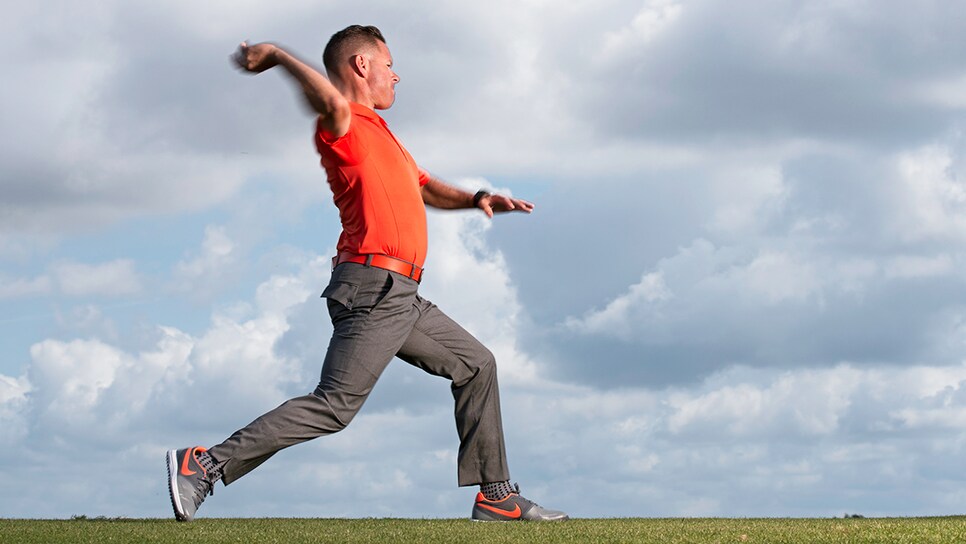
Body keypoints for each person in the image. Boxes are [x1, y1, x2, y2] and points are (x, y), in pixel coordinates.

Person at [166, 25, 568, 523]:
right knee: (334, 405)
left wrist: (476, 199)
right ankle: (204, 465)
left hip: (402, 294)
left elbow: (424, 187)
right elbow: (329, 102)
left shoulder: (385, 137)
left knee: (476, 364)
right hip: (373, 288)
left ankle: (497, 494)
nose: (396, 75)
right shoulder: (343, 123)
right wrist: (276, 57)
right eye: (388, 63)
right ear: (362, 66)